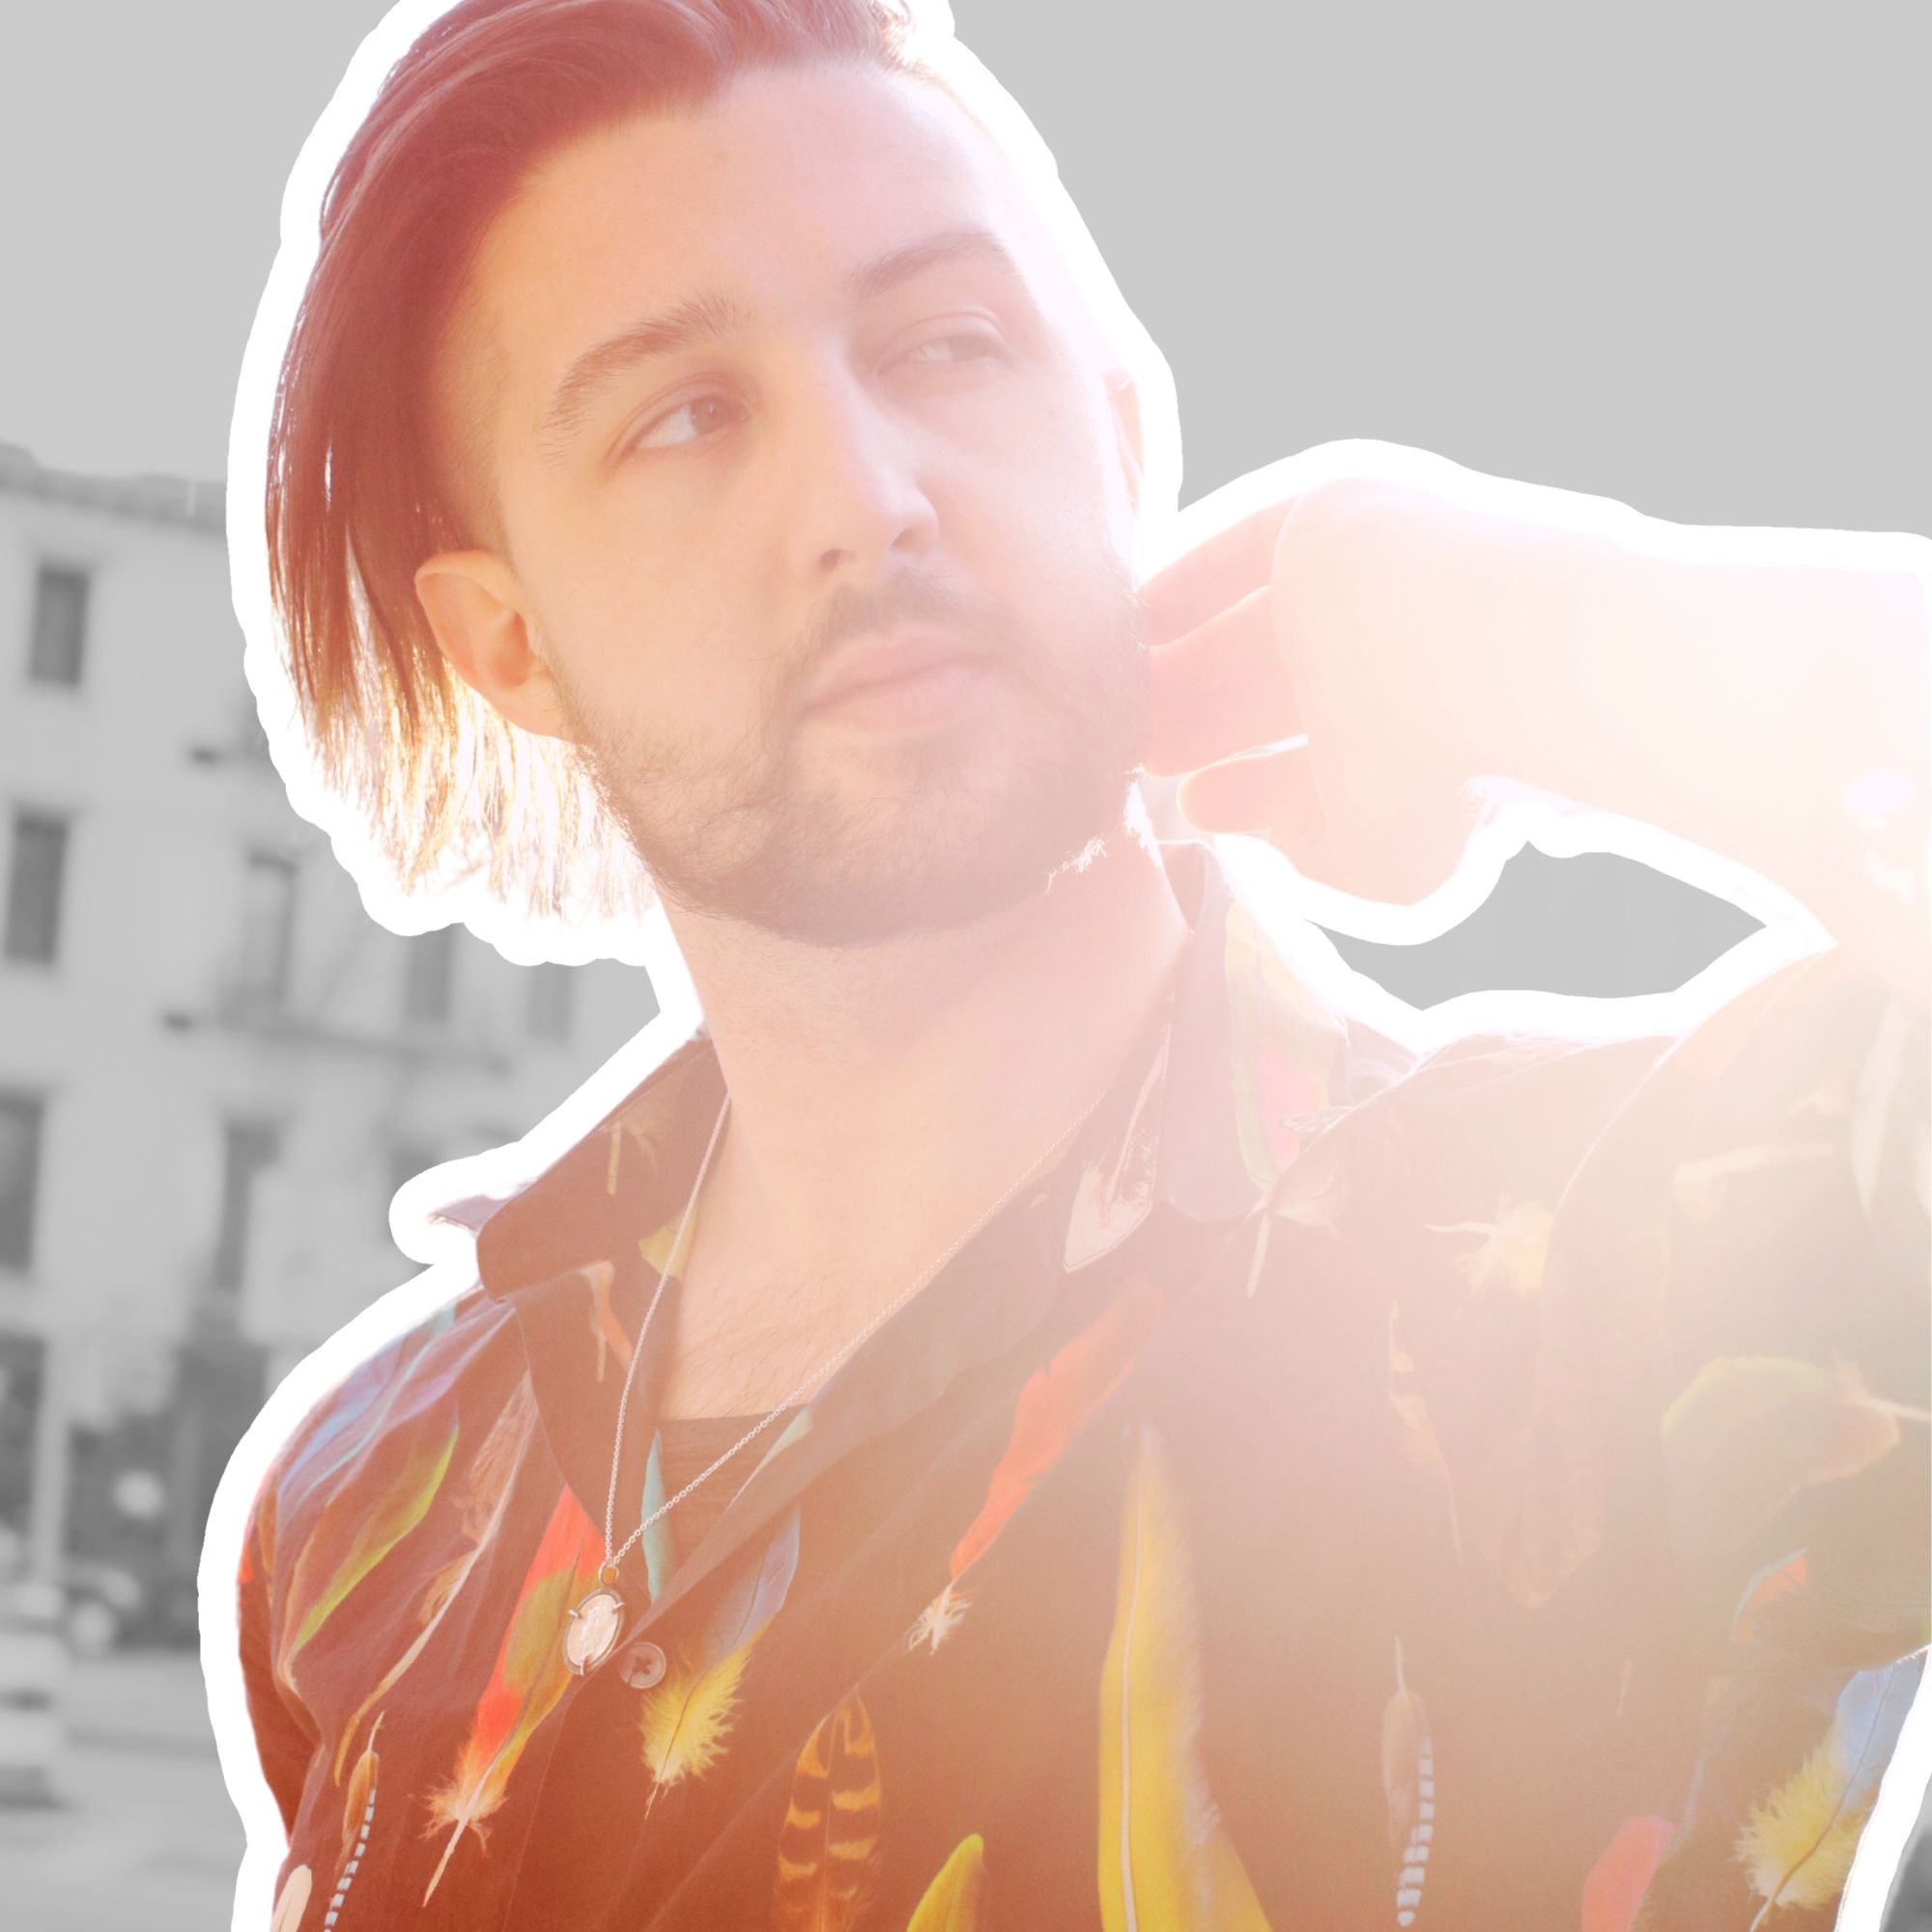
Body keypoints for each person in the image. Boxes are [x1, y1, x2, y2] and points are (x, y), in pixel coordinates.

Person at [214, 1, 1930, 1926]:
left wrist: (1544, 635)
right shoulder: (366, 1496)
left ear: (1118, 431)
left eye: (946, 344)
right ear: (506, 640)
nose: (867, 494)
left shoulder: (1617, 1257)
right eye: (683, 414)